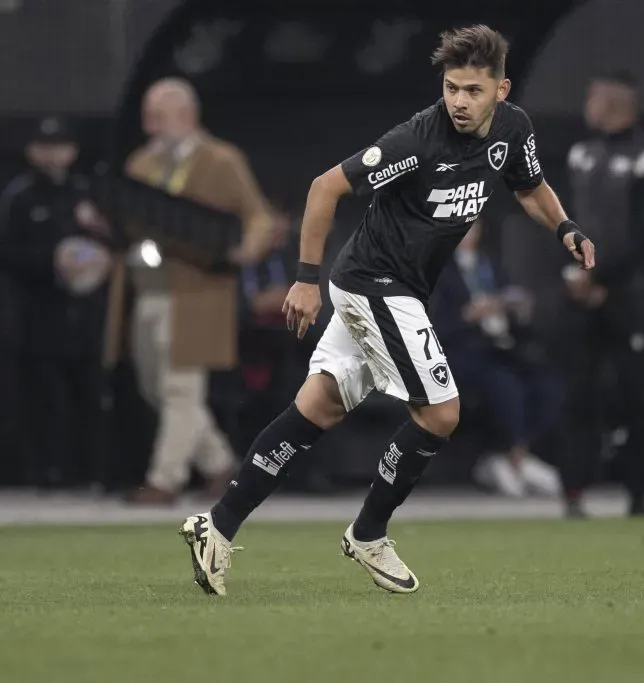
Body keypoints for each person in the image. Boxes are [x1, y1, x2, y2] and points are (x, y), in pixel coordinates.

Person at [178, 25, 596, 597]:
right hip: (375, 284)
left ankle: (216, 525)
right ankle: (368, 532)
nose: (459, 101)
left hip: (396, 289)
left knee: (317, 407)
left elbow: (529, 187)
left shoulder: (513, 131)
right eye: (452, 88)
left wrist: (566, 227)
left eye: (473, 90)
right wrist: (304, 280)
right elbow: (325, 188)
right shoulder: (418, 140)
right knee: (442, 413)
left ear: (501, 90)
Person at [106, 78, 276, 505]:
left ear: (186, 115)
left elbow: (259, 216)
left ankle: (164, 481)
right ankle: (221, 466)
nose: (151, 128)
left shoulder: (222, 160)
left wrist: (248, 250)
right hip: (147, 291)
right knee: (154, 388)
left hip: (198, 294)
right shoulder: (141, 163)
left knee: (181, 390)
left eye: (158, 118)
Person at [559, 72, 644, 518]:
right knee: (577, 394)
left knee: (636, 398)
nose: (587, 101)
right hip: (581, 294)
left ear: (617, 101)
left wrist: (601, 277)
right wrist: (574, 274)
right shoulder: (580, 155)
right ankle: (573, 493)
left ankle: (639, 495)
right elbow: (559, 217)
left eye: (594, 94)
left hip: (628, 297)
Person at [0, 116, 112, 489]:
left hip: (86, 316)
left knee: (89, 394)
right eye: (45, 147)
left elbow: (113, 243)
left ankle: (89, 473)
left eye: (59, 146)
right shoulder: (20, 196)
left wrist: (100, 243)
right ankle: (49, 473)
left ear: (72, 151)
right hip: (39, 315)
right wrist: (53, 260)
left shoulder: (85, 193)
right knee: (46, 399)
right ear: (32, 151)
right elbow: (10, 253)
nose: (52, 155)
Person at [431, 221, 563, 498]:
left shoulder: (490, 266)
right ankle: (504, 457)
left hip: (501, 346)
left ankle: (518, 455)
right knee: (504, 386)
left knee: (545, 382)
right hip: (460, 352)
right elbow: (433, 326)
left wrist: (519, 309)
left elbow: (511, 297)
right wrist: (468, 316)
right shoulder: (437, 271)